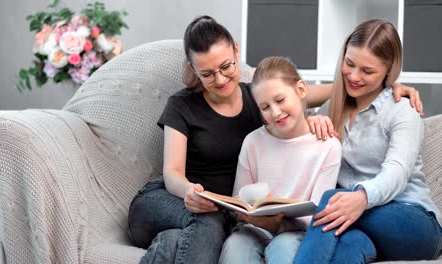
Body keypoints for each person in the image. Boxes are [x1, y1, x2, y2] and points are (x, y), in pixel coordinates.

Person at [127, 15, 423, 264]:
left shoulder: (255, 97)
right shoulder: (185, 105)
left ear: (236, 53)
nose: (220, 79)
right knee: (211, 224)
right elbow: (172, 173)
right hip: (183, 199)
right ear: (193, 71)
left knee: (187, 236)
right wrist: (192, 191)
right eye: (207, 73)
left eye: (226, 66)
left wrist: (386, 83)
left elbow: (317, 89)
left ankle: (168, 245)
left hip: (229, 214)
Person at [294, 19, 442, 264]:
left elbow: (397, 171)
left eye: (367, 71)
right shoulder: (331, 109)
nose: (354, 76)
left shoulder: (402, 110)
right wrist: (307, 122)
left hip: (416, 224)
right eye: (349, 64)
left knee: (333, 200)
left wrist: (361, 199)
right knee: (351, 245)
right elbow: (281, 97)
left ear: (389, 71)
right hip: (362, 223)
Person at [218, 56, 342, 264]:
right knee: (235, 245)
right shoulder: (253, 142)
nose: (275, 112)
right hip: (254, 229)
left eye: (280, 100)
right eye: (265, 107)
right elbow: (238, 205)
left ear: (301, 90)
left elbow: (317, 216)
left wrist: (278, 226)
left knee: (282, 248)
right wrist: (248, 215)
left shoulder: (327, 145)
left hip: (297, 233)